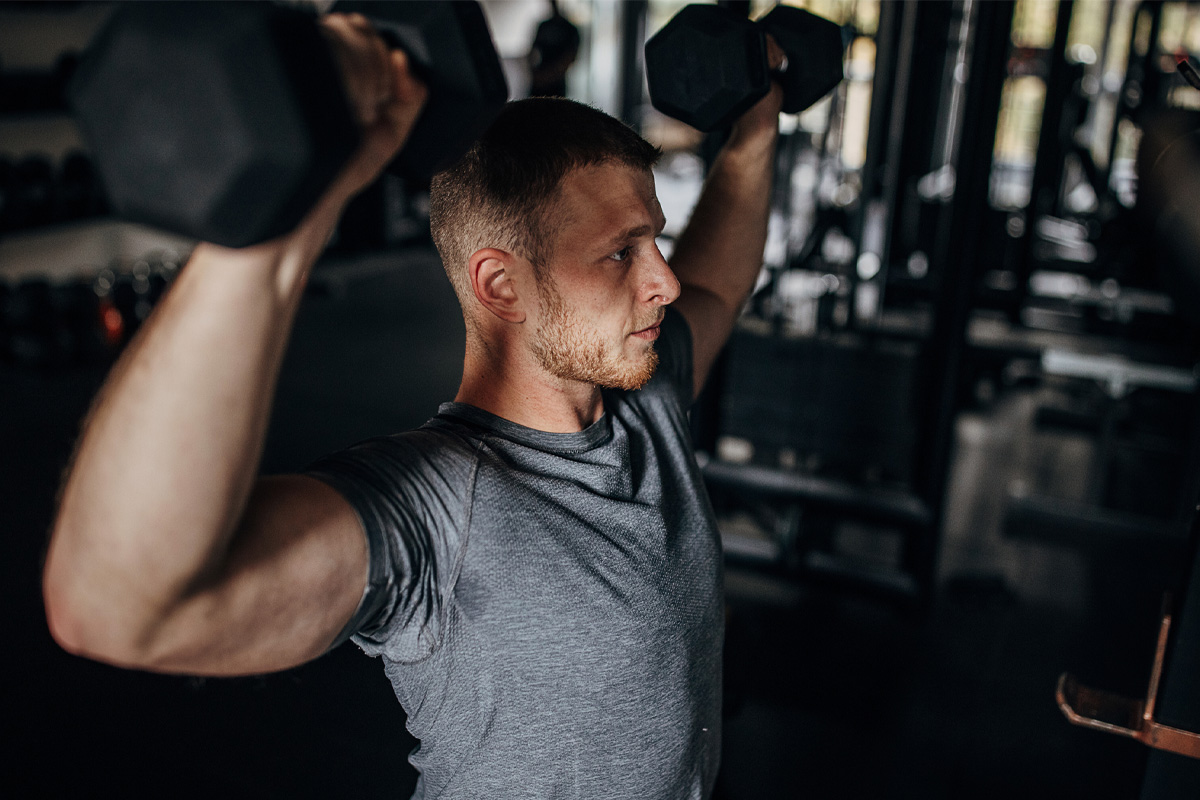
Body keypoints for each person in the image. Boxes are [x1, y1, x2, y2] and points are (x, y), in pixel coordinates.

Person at [43, 12, 783, 800]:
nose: (664, 281)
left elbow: (717, 282)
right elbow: (116, 609)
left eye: (656, 241)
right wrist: (282, 207)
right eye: (620, 252)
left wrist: (757, 126)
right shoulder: (438, 511)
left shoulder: (646, 397)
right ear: (501, 286)